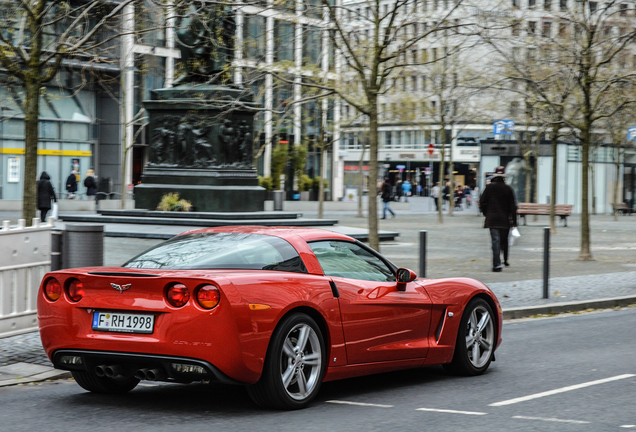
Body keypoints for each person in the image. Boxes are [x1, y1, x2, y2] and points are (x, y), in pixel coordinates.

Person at [479, 166, 518, 272]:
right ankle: (503, 259)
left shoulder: (489, 187)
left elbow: (482, 202)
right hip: (504, 220)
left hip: (492, 219)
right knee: (503, 241)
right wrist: (514, 222)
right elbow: (513, 207)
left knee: (495, 241)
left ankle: (496, 264)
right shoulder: (508, 188)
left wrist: (486, 213)